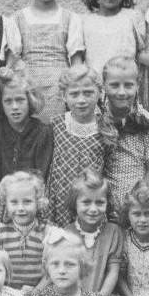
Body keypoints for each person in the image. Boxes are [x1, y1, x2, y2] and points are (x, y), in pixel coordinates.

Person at [15, 0, 85, 121]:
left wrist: (74, 91)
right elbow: (14, 60)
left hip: (59, 89)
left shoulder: (71, 18)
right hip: (29, 87)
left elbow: (76, 64)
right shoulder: (17, 19)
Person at [47, 65, 115, 226]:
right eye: (74, 94)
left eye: (88, 93)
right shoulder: (56, 125)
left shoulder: (107, 130)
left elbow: (110, 171)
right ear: (64, 96)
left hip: (92, 204)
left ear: (100, 93)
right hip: (60, 202)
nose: (81, 100)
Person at [0, 68, 53, 218]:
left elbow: (41, 175)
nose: (14, 107)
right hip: (0, 209)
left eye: (20, 100)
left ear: (30, 100)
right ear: (1, 103)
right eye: (8, 101)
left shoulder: (42, 132)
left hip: (30, 208)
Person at [102, 56, 149, 209]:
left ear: (137, 86)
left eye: (128, 85)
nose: (122, 92)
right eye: (114, 85)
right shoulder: (98, 118)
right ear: (104, 86)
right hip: (102, 202)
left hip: (137, 202)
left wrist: (140, 201)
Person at [0, 171, 65, 291]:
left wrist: (36, 292)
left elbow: (54, 268)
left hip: (40, 292)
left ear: (38, 202)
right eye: (14, 202)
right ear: (6, 204)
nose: (21, 208)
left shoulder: (47, 232)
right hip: (5, 294)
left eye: (27, 201)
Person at [63, 169, 123, 296]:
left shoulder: (113, 232)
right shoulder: (67, 234)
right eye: (86, 202)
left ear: (107, 203)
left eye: (100, 202)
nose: (93, 209)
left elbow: (113, 272)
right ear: (75, 203)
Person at [80, 0, 145, 77]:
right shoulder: (84, 22)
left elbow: (141, 52)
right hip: (95, 84)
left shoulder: (133, 18)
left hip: (125, 84)